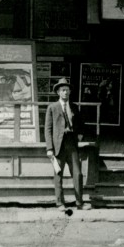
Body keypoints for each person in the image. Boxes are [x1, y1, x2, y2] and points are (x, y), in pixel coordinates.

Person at [45, 77, 86, 211]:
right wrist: (49, 148)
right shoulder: (52, 108)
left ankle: (79, 202)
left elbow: (80, 123)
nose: (65, 93)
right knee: (58, 174)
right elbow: (48, 129)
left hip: (72, 144)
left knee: (78, 174)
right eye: (63, 90)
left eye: (67, 90)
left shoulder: (74, 107)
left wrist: (79, 135)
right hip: (58, 146)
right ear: (58, 92)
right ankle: (60, 203)